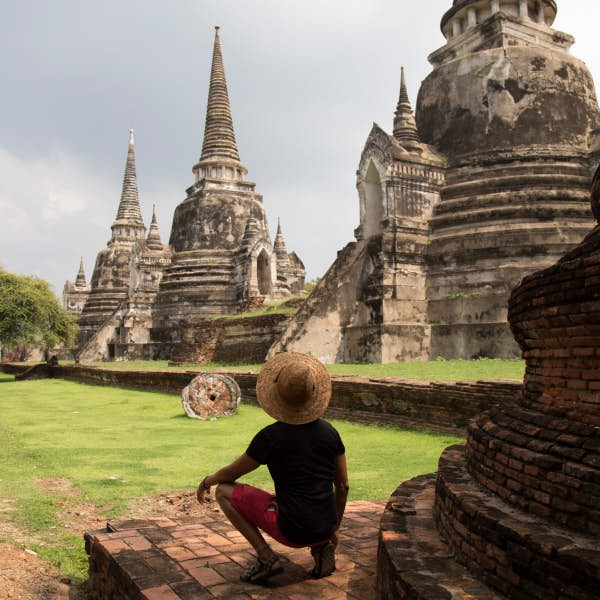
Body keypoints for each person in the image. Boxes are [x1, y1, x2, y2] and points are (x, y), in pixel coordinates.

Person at [196, 352, 349, 584]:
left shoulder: (271, 437)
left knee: (223, 491)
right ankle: (321, 545)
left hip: (291, 529)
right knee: (306, 500)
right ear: (313, 392)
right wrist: (334, 527)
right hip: (325, 524)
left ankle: (267, 558)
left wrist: (208, 480)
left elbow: (231, 474)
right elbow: (343, 485)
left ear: (278, 393)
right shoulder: (330, 432)